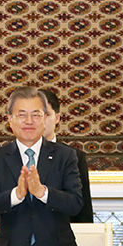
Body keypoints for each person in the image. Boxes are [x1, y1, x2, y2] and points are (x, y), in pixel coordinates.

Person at [0, 86, 84, 246]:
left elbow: (75, 204)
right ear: (10, 120)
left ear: (45, 119)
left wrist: (42, 192)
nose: (29, 121)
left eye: (36, 115)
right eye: (22, 115)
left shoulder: (65, 155)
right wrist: (16, 195)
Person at [40, 89, 93, 224]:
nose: (40, 121)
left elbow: (83, 210)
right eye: (35, 115)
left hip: (61, 238)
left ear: (57, 118)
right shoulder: (10, 154)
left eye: (46, 115)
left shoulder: (74, 157)